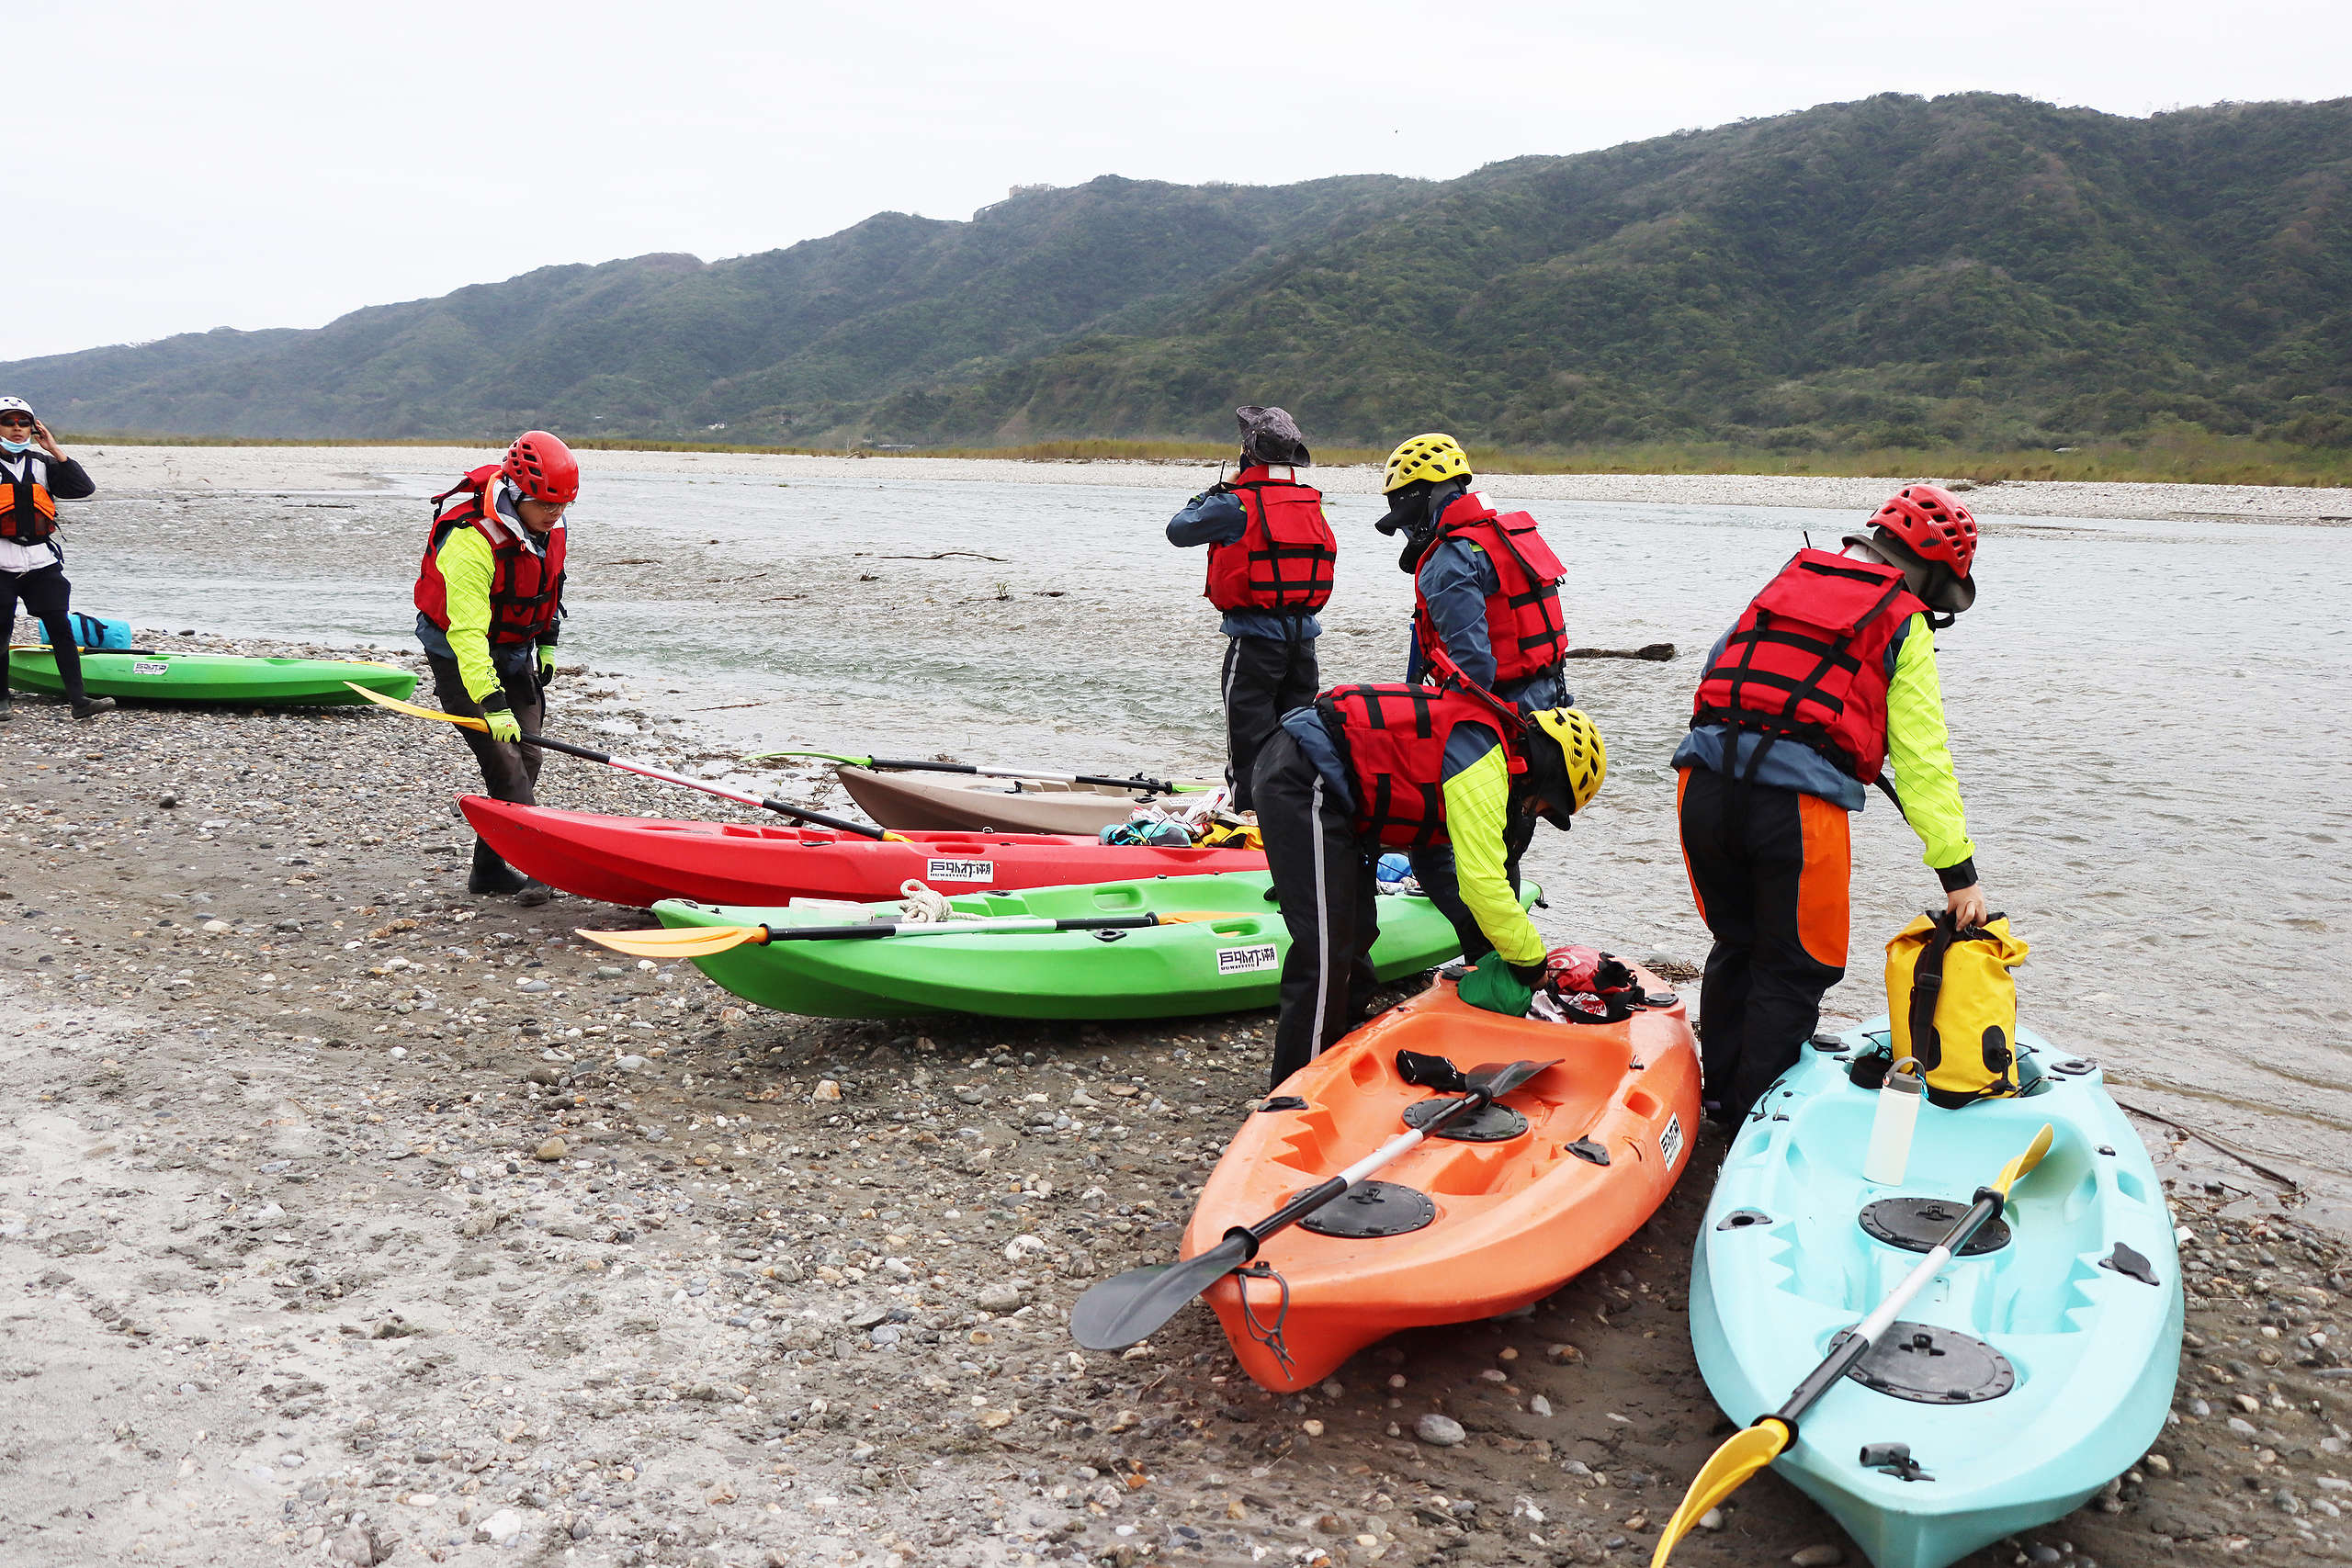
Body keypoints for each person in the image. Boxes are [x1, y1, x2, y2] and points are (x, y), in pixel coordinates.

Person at [1673, 483, 1989, 1125]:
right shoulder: (1903, 620)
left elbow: (1718, 677)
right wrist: (1958, 876)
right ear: (1929, 574)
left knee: (1736, 942)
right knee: (1795, 965)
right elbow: (1923, 758)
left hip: (1700, 786)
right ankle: (1750, 1125)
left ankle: (1716, 1099)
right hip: (1792, 809)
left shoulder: (1788, 580)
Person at [1252, 680, 1606, 1088]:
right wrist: (1533, 967)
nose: (1534, 812)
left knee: (1359, 930)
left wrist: (1483, 950)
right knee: (1326, 949)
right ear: (1547, 774)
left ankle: (1338, 1049)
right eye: (1546, 805)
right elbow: (1484, 885)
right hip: (1303, 776)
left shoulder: (1485, 761)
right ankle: (1295, 1090)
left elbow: (1435, 861)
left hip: (1338, 799)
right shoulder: (1485, 769)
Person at [1372, 432, 1572, 959]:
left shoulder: (1449, 559)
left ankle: (1494, 961)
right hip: (1546, 713)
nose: (1405, 530)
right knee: (1504, 844)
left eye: (1403, 511)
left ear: (1421, 496)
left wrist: (1424, 727)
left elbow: (1473, 665)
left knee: (1436, 848)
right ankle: (1499, 951)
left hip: (1497, 721)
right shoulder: (1504, 536)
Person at [413, 431, 577, 904]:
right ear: (518, 492)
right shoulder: (469, 539)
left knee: (529, 756)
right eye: (546, 504)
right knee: (504, 763)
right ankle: (539, 866)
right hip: (459, 655)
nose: (555, 514)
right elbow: (466, 633)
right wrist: (491, 701)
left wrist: (547, 643)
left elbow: (550, 586)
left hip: (514, 648)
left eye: (563, 504)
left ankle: (487, 870)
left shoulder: (550, 526)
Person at [1165, 406, 1335, 810]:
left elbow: (1179, 529)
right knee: (1297, 738)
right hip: (1304, 645)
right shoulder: (1312, 502)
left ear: (1248, 454)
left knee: (1248, 742)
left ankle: (1247, 821)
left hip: (1255, 644)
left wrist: (1215, 490)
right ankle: (1297, 816)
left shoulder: (1234, 504)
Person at [0, 397, 112, 720]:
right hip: (1, 563)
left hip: (40, 562)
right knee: (1, 630)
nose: (17, 429)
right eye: (9, 422)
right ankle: (1, 700)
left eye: (24, 423)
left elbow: (82, 488)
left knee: (61, 629)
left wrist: (55, 450)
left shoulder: (42, 464)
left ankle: (79, 701)